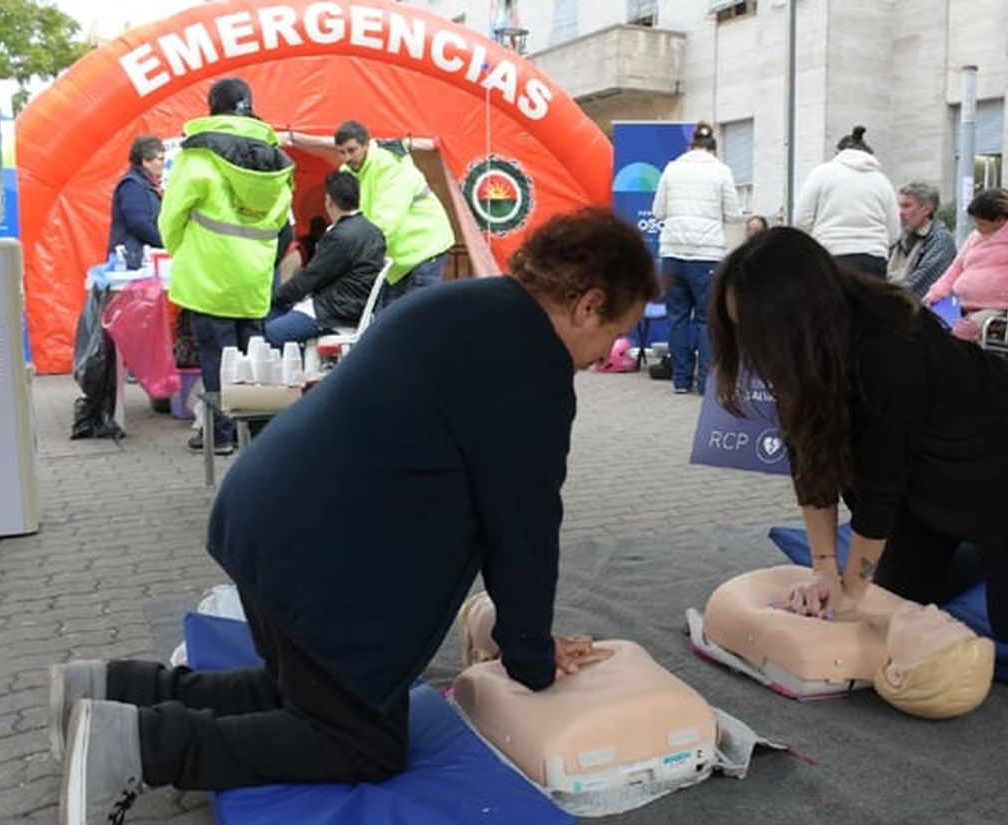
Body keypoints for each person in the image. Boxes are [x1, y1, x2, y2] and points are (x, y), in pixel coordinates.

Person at [46, 208, 660, 823]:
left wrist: (521, 635)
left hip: (262, 517)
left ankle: (106, 688)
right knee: (360, 742)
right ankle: (135, 748)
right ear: (587, 304)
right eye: (615, 332)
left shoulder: (462, 303)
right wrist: (529, 656)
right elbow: (524, 527)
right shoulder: (532, 364)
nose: (605, 354)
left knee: (305, 692)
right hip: (318, 557)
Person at [708, 227, 1008, 652]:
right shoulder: (800, 357)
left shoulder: (888, 344)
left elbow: (879, 486)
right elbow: (809, 463)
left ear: (800, 316)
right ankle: (997, 554)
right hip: (928, 477)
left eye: (758, 334)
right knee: (896, 597)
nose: (752, 350)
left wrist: (851, 591)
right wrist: (823, 570)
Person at [159, 77, 295, 455]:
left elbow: (171, 216)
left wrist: (181, 250)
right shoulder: (275, 158)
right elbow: (283, 218)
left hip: (208, 273)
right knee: (254, 354)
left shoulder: (198, 155)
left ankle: (219, 436)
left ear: (211, 107)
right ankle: (254, 436)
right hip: (253, 275)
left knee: (217, 356)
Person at [286, 121, 456, 311]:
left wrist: (352, 253)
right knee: (388, 319)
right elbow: (345, 216)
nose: (347, 158)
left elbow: (386, 222)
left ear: (366, 144)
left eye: (352, 150)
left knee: (416, 316)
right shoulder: (346, 173)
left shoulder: (390, 165)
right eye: (341, 152)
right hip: (394, 259)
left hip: (424, 248)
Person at [650, 121, 743, 395]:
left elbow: (658, 211)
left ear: (690, 146)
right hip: (707, 255)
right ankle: (705, 382)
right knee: (706, 318)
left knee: (677, 317)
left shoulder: (671, 168)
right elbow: (734, 214)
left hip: (673, 252)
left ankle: (680, 381)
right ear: (714, 149)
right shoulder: (721, 171)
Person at [265, 171, 387, 348]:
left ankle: (295, 374)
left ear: (329, 201)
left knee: (269, 333)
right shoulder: (374, 232)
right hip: (354, 308)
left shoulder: (339, 236)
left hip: (332, 311)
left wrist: (277, 297)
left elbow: (311, 277)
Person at [922, 187, 1008, 342]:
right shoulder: (976, 236)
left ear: (999, 219)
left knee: (961, 331)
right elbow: (956, 268)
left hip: (1006, 308)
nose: (977, 227)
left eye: (981, 223)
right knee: (927, 322)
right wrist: (936, 293)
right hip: (964, 304)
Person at [794, 125, 902, 277]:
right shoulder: (882, 181)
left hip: (831, 255)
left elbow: (801, 221)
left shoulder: (821, 173)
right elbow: (894, 232)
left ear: (838, 152)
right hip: (874, 259)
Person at [888, 182, 957, 298]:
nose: (900, 212)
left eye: (906, 206)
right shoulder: (898, 235)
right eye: (899, 206)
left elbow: (920, 285)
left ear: (926, 209)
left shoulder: (940, 239)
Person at [107, 136, 165, 271]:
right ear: (145, 161)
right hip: (131, 261)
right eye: (160, 159)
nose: (163, 163)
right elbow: (139, 224)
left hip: (141, 259)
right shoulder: (132, 186)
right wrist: (166, 243)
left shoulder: (146, 185)